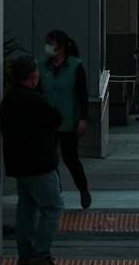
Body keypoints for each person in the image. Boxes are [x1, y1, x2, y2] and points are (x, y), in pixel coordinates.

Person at [1, 55, 62, 265]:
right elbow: (56, 119)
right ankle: (41, 254)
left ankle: (25, 255)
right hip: (40, 163)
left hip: (19, 163)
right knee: (52, 208)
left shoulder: (8, 100)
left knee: (26, 210)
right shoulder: (35, 100)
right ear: (33, 76)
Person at [39, 29, 92, 209]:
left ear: (61, 47)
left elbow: (82, 95)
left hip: (68, 120)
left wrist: (83, 119)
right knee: (49, 159)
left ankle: (83, 189)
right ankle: (56, 193)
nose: (48, 47)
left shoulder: (75, 66)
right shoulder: (41, 66)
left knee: (70, 158)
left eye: (51, 43)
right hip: (47, 121)